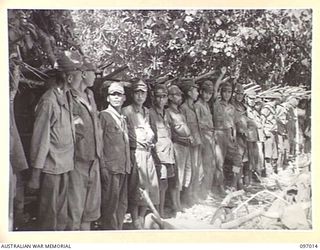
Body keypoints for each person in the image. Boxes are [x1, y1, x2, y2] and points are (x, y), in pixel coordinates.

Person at [27, 50, 82, 230]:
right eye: (78, 74)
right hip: (51, 169)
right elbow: (40, 139)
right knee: (48, 219)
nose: (81, 78)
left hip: (65, 166)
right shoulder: (49, 101)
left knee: (61, 217)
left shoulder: (66, 97)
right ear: (68, 77)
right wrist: (35, 176)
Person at [67, 56, 102, 230]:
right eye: (92, 73)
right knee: (75, 209)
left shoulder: (90, 95)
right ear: (82, 73)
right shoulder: (70, 96)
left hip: (94, 158)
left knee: (90, 210)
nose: (95, 76)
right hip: (77, 160)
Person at [122, 79, 159, 229]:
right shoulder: (127, 111)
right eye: (137, 93)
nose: (140, 96)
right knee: (136, 186)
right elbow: (124, 134)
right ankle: (135, 219)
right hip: (135, 153)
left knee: (150, 185)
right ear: (132, 94)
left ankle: (142, 217)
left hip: (148, 153)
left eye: (142, 93)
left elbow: (152, 132)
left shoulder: (147, 112)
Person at [99, 82, 131, 230]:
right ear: (108, 98)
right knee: (110, 206)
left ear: (124, 98)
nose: (117, 97)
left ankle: (118, 232)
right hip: (111, 169)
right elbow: (99, 144)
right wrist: (103, 167)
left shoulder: (122, 118)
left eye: (120, 95)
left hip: (123, 167)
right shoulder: (104, 116)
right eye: (113, 94)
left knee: (121, 204)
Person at [149, 84, 178, 217]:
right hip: (158, 155)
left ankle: (162, 210)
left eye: (164, 96)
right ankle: (158, 213)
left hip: (168, 153)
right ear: (154, 98)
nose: (161, 99)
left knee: (166, 183)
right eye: (158, 96)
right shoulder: (150, 113)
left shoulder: (166, 113)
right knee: (160, 183)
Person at [212, 79, 243, 193]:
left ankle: (234, 184)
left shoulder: (232, 107)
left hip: (229, 135)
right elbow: (215, 90)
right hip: (219, 134)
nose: (227, 94)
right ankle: (219, 186)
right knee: (219, 163)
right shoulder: (216, 104)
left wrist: (233, 137)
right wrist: (220, 76)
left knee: (237, 160)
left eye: (229, 92)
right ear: (221, 92)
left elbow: (233, 124)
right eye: (225, 91)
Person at [167, 85, 192, 210]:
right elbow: (170, 133)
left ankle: (181, 202)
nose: (179, 97)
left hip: (186, 146)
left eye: (180, 95)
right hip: (178, 147)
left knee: (186, 175)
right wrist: (182, 139)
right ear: (170, 97)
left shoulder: (180, 111)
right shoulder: (168, 112)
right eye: (177, 95)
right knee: (177, 176)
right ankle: (175, 204)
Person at [179, 79, 203, 204]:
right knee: (190, 170)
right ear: (189, 92)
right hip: (189, 144)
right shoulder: (183, 108)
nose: (198, 93)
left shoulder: (194, 107)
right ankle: (186, 197)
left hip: (197, 142)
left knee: (197, 169)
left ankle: (193, 194)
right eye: (195, 90)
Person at [194, 80, 216, 198]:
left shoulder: (206, 105)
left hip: (210, 136)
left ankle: (206, 191)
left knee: (210, 165)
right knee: (203, 166)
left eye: (210, 93)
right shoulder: (198, 105)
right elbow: (197, 123)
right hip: (203, 136)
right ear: (201, 92)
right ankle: (200, 193)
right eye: (206, 93)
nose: (208, 96)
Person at [231, 83, 249, 185]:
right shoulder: (232, 105)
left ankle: (240, 182)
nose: (239, 96)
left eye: (241, 94)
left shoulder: (242, 106)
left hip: (243, 137)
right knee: (237, 161)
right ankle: (234, 184)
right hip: (235, 136)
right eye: (237, 93)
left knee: (243, 160)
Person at [261, 94, 280, 175]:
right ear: (276, 99)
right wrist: (264, 131)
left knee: (274, 152)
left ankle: (272, 171)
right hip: (268, 132)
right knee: (268, 154)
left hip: (273, 132)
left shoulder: (273, 108)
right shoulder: (267, 108)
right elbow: (262, 120)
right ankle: (268, 172)